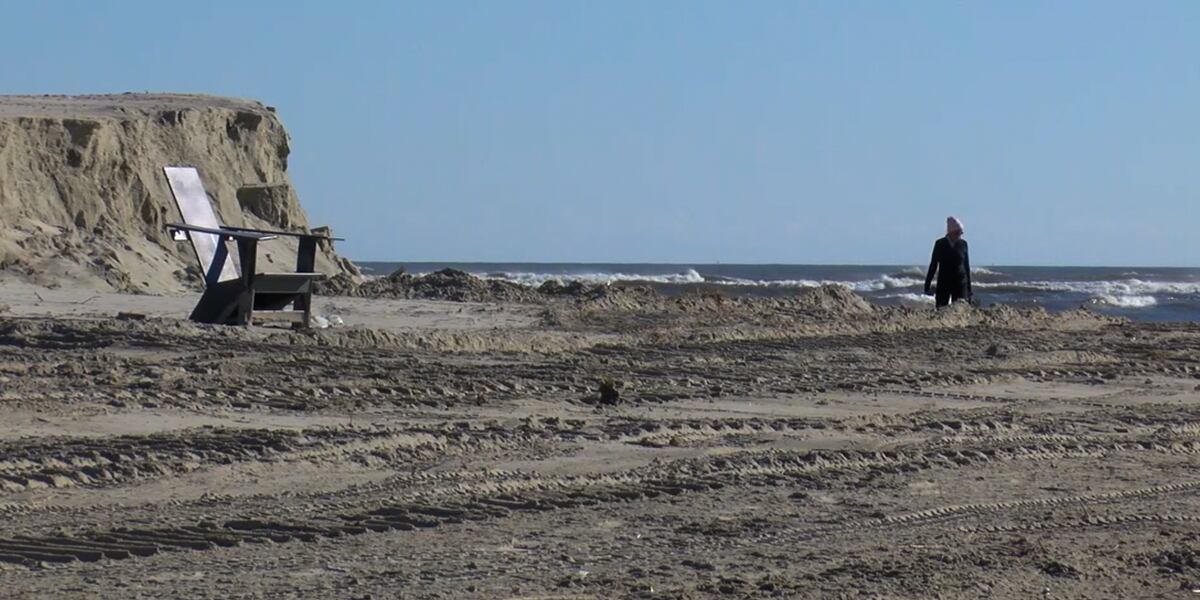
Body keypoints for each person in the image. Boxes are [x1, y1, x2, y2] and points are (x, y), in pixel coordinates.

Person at [924, 216, 973, 307]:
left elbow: (966, 266)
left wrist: (969, 290)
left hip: (960, 282)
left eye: (961, 233)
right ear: (950, 232)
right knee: (941, 308)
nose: (959, 235)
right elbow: (933, 265)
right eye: (957, 233)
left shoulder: (963, 244)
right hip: (944, 282)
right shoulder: (940, 244)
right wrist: (927, 285)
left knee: (959, 309)